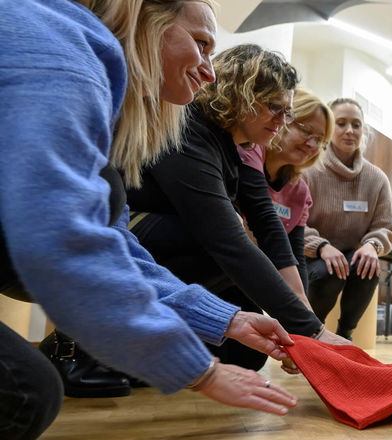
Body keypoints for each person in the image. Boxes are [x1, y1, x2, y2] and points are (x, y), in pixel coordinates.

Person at [0, 1, 300, 438]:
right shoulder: (63, 58)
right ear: (147, 17)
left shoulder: (90, 71)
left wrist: (227, 320)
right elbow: (60, 239)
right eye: (200, 44)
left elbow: (113, 241)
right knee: (23, 393)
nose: (209, 70)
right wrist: (201, 372)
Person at [127, 44, 348, 371]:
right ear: (239, 94)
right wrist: (310, 329)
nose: (281, 121)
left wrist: (301, 321)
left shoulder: (234, 146)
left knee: (250, 357)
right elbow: (227, 241)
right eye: (274, 107)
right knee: (221, 245)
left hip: (172, 243)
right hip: (128, 237)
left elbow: (270, 229)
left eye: (287, 112)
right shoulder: (189, 129)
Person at [303, 98, 392, 340]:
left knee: (368, 267)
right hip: (311, 258)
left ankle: (346, 335)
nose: (349, 131)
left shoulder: (376, 178)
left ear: (363, 132)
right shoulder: (308, 170)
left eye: (356, 125)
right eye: (341, 123)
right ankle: (313, 332)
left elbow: (385, 227)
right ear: (328, 129)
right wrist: (321, 246)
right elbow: (293, 224)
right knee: (330, 271)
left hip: (351, 256)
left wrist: (372, 245)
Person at [237, 88, 334, 293]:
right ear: (283, 118)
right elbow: (264, 221)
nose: (312, 144)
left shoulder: (300, 191)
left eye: (320, 140)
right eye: (307, 131)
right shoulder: (249, 151)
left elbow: (295, 255)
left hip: (253, 275)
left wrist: (305, 311)